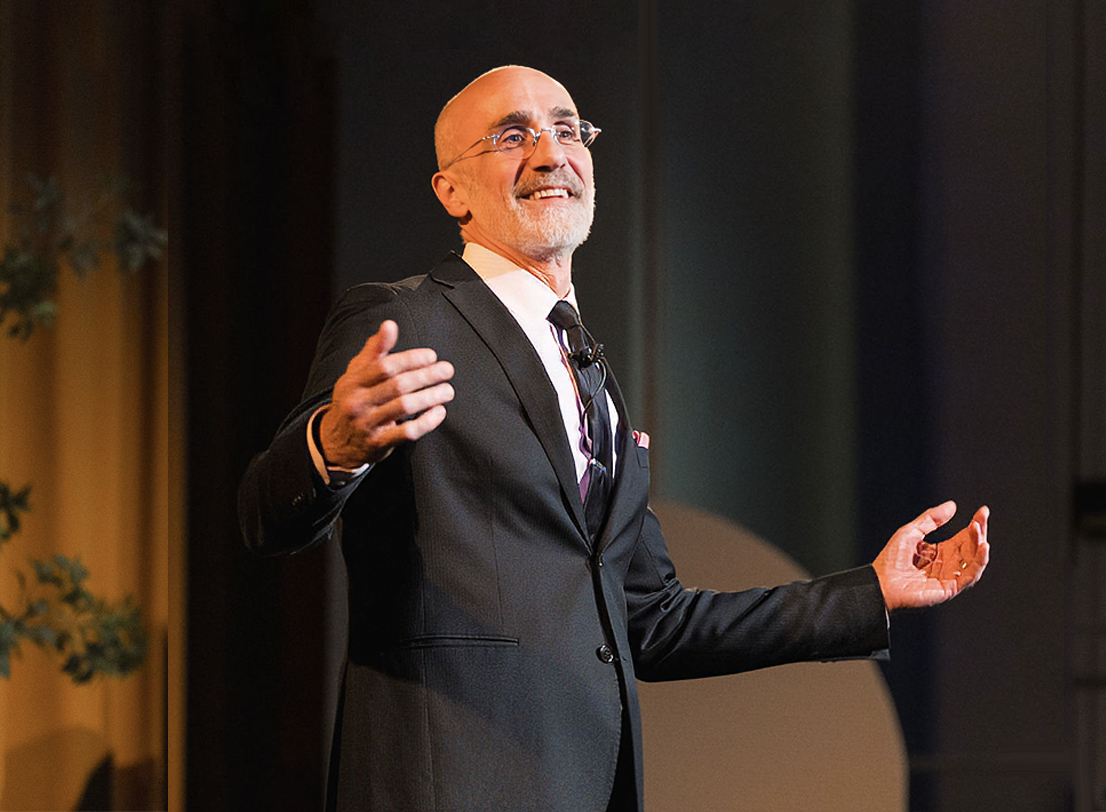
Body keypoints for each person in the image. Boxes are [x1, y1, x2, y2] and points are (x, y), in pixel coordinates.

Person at [238, 65, 990, 812]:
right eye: (510, 137)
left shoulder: (588, 369)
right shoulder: (405, 320)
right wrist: (331, 446)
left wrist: (872, 591)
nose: (549, 153)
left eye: (567, 130)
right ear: (452, 192)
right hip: (450, 783)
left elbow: (652, 622)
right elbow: (265, 514)